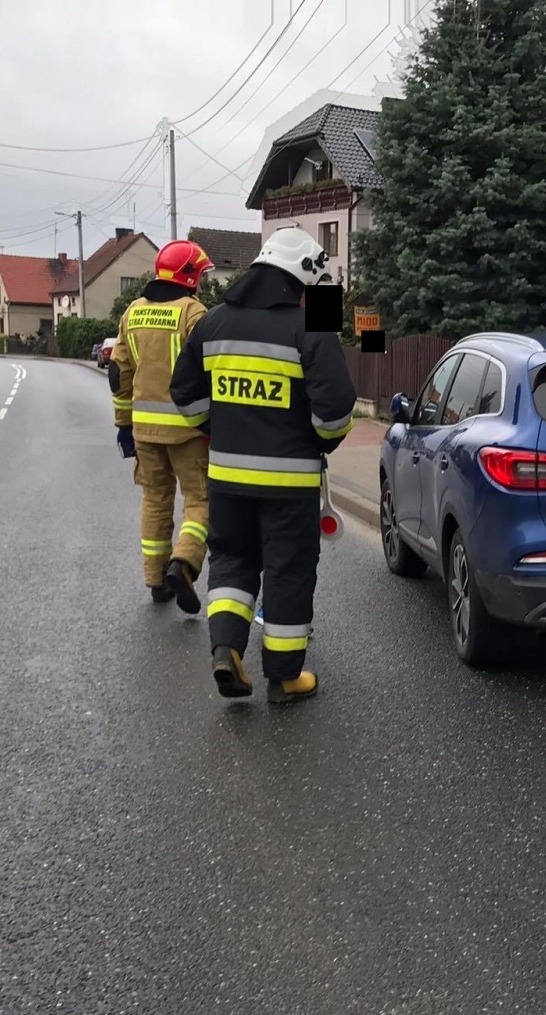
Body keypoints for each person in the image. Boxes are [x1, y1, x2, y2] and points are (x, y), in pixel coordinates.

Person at [168, 227, 356, 704]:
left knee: (232, 560)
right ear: (300, 277)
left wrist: (220, 428)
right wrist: (319, 441)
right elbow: (334, 414)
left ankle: (227, 649)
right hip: (288, 486)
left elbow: (185, 397)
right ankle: (284, 678)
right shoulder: (308, 328)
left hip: (227, 480)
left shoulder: (211, 324)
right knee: (288, 570)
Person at [109, 240, 216, 612]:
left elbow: (119, 373)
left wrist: (123, 424)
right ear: (189, 276)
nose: (202, 282)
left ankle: (156, 580)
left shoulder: (132, 313)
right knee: (200, 500)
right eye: (200, 275)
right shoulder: (193, 313)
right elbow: (209, 372)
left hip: (144, 431)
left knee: (155, 500)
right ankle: (183, 563)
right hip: (188, 431)